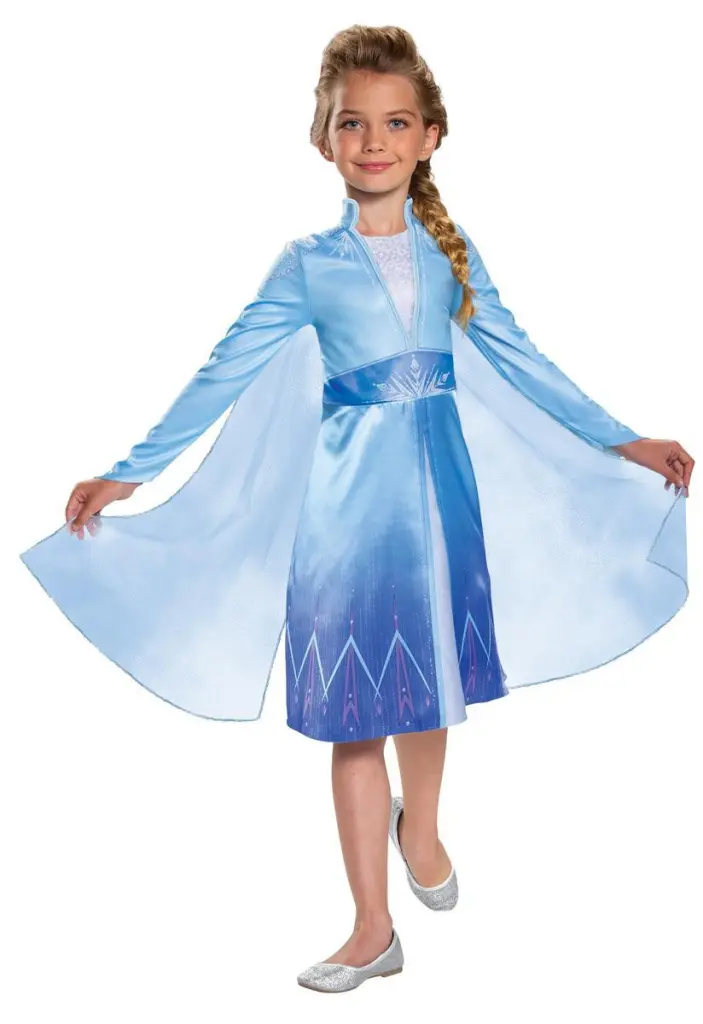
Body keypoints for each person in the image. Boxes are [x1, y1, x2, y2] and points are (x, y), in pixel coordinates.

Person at [19, 25, 693, 993]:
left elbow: (520, 356)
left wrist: (623, 439)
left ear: (429, 137)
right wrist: (130, 473)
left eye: (395, 123)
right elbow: (223, 370)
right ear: (322, 139)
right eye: (352, 123)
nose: (373, 141)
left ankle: (422, 828)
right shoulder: (306, 266)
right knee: (356, 715)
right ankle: (373, 927)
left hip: (442, 505)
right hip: (346, 519)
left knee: (430, 687)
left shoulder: (449, 254)